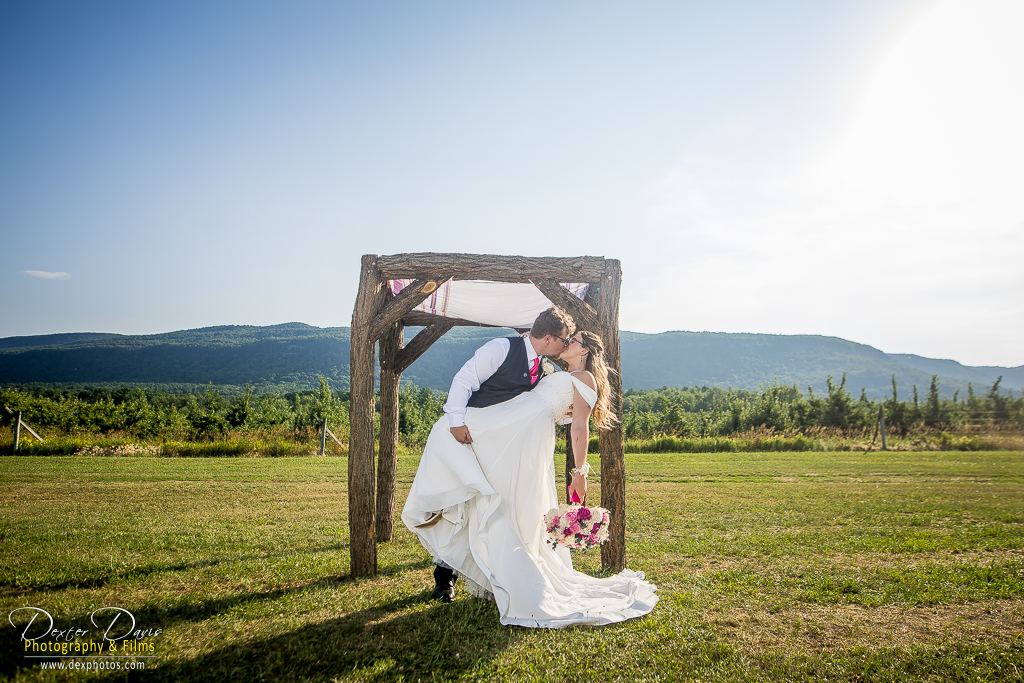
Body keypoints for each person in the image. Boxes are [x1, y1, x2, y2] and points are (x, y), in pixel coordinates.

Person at [402, 328, 658, 628]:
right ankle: (487, 572)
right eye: (565, 338)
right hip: (513, 425)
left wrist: (580, 471)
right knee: (455, 443)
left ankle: (513, 576)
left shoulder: (585, 379)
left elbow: (578, 427)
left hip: (526, 435)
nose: (566, 344)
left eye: (572, 341)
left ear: (585, 350)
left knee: (511, 500)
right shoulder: (557, 372)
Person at [420, 307, 575, 602]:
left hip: (503, 448)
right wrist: (456, 422)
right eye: (563, 341)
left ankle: (493, 573)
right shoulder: (501, 348)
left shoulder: (544, 368)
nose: (564, 347)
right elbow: (464, 380)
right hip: (471, 437)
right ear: (547, 338)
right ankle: (444, 579)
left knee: (488, 507)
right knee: (462, 504)